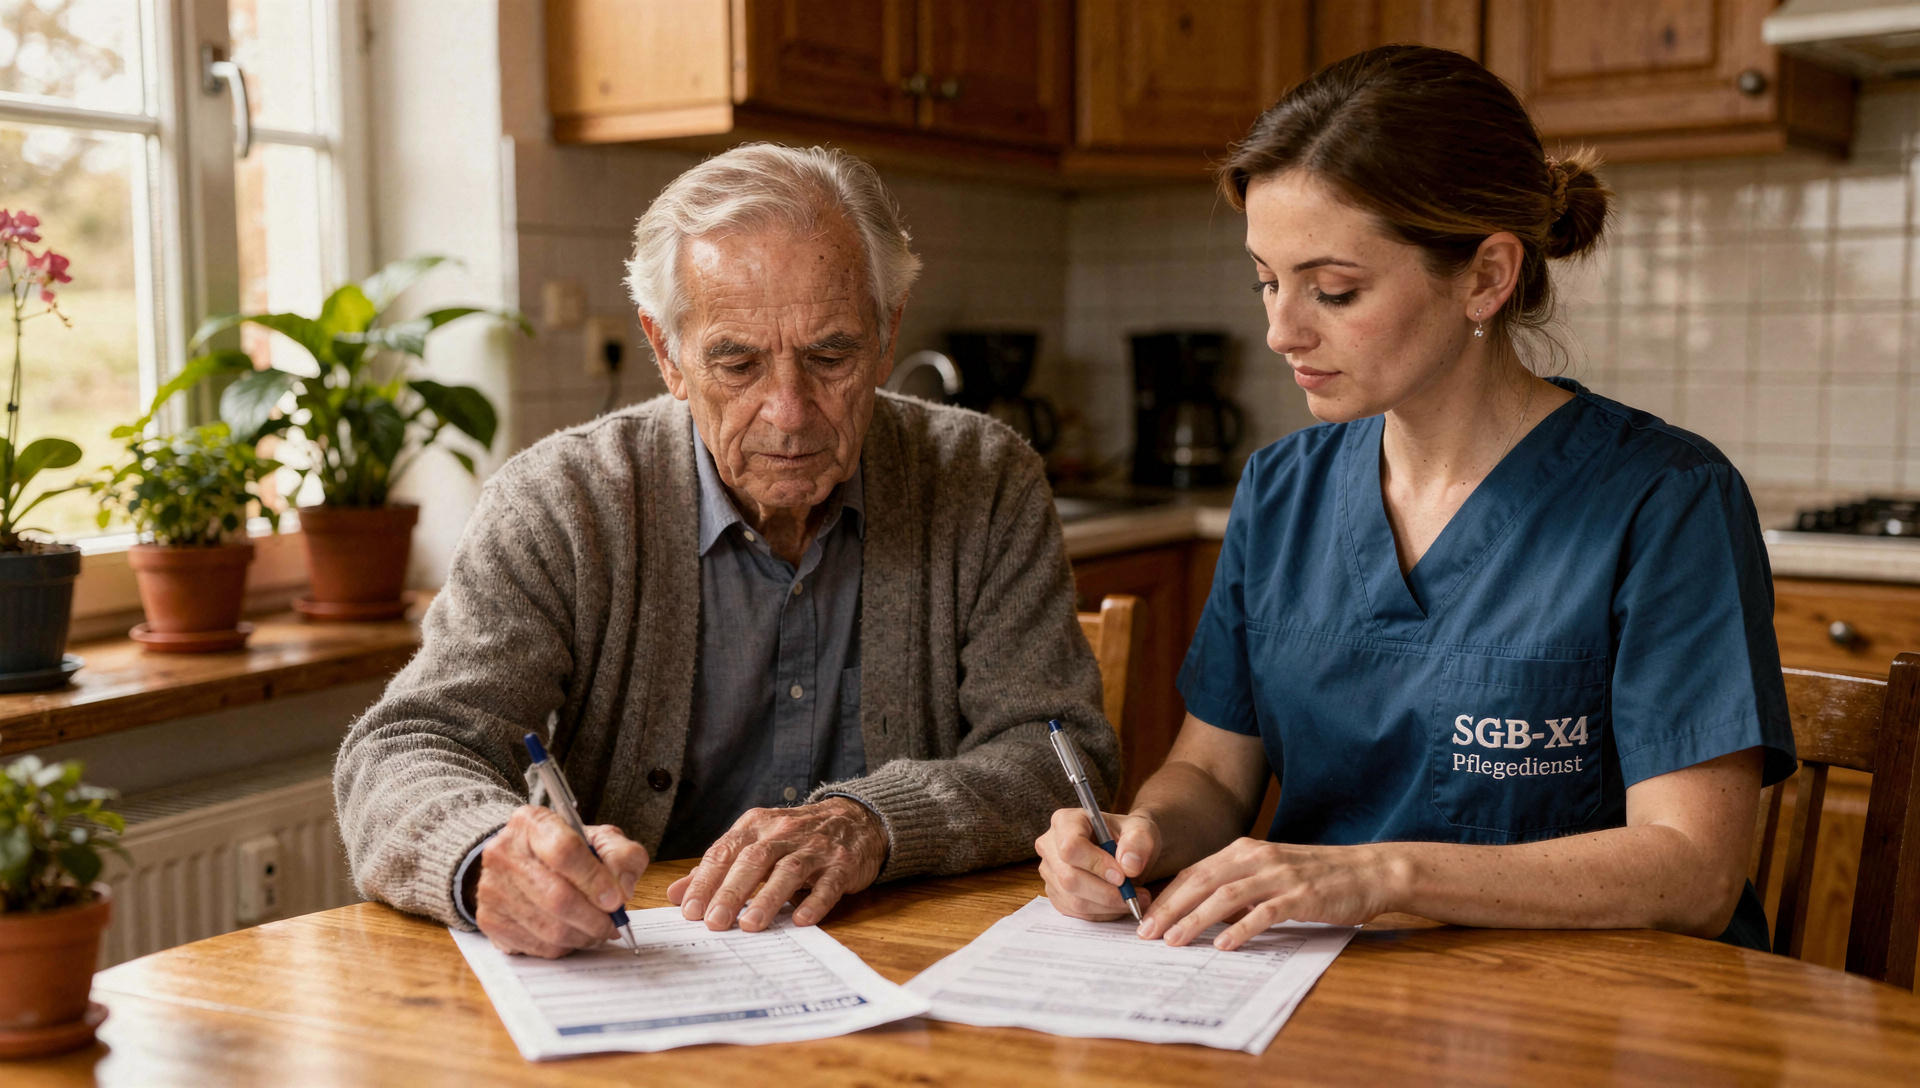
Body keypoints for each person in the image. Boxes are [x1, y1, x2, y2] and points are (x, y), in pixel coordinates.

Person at [1036, 46, 1794, 953]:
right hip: (1326, 999)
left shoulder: (1667, 501)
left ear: (1485, 276)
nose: (1280, 330)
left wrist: (1380, 874)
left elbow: (1692, 873)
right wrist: (1141, 834)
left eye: (1334, 290)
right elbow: (1210, 770)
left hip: (1597, 1015)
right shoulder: (1282, 490)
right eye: (1267, 282)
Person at [336, 143, 1117, 958]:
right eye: (737, 362)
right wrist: (482, 853)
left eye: (831, 356)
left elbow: (1059, 755)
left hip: (912, 960)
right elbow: (405, 745)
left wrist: (872, 821)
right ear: (667, 352)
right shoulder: (561, 502)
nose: (789, 412)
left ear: (889, 335)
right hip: (640, 967)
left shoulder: (984, 478)